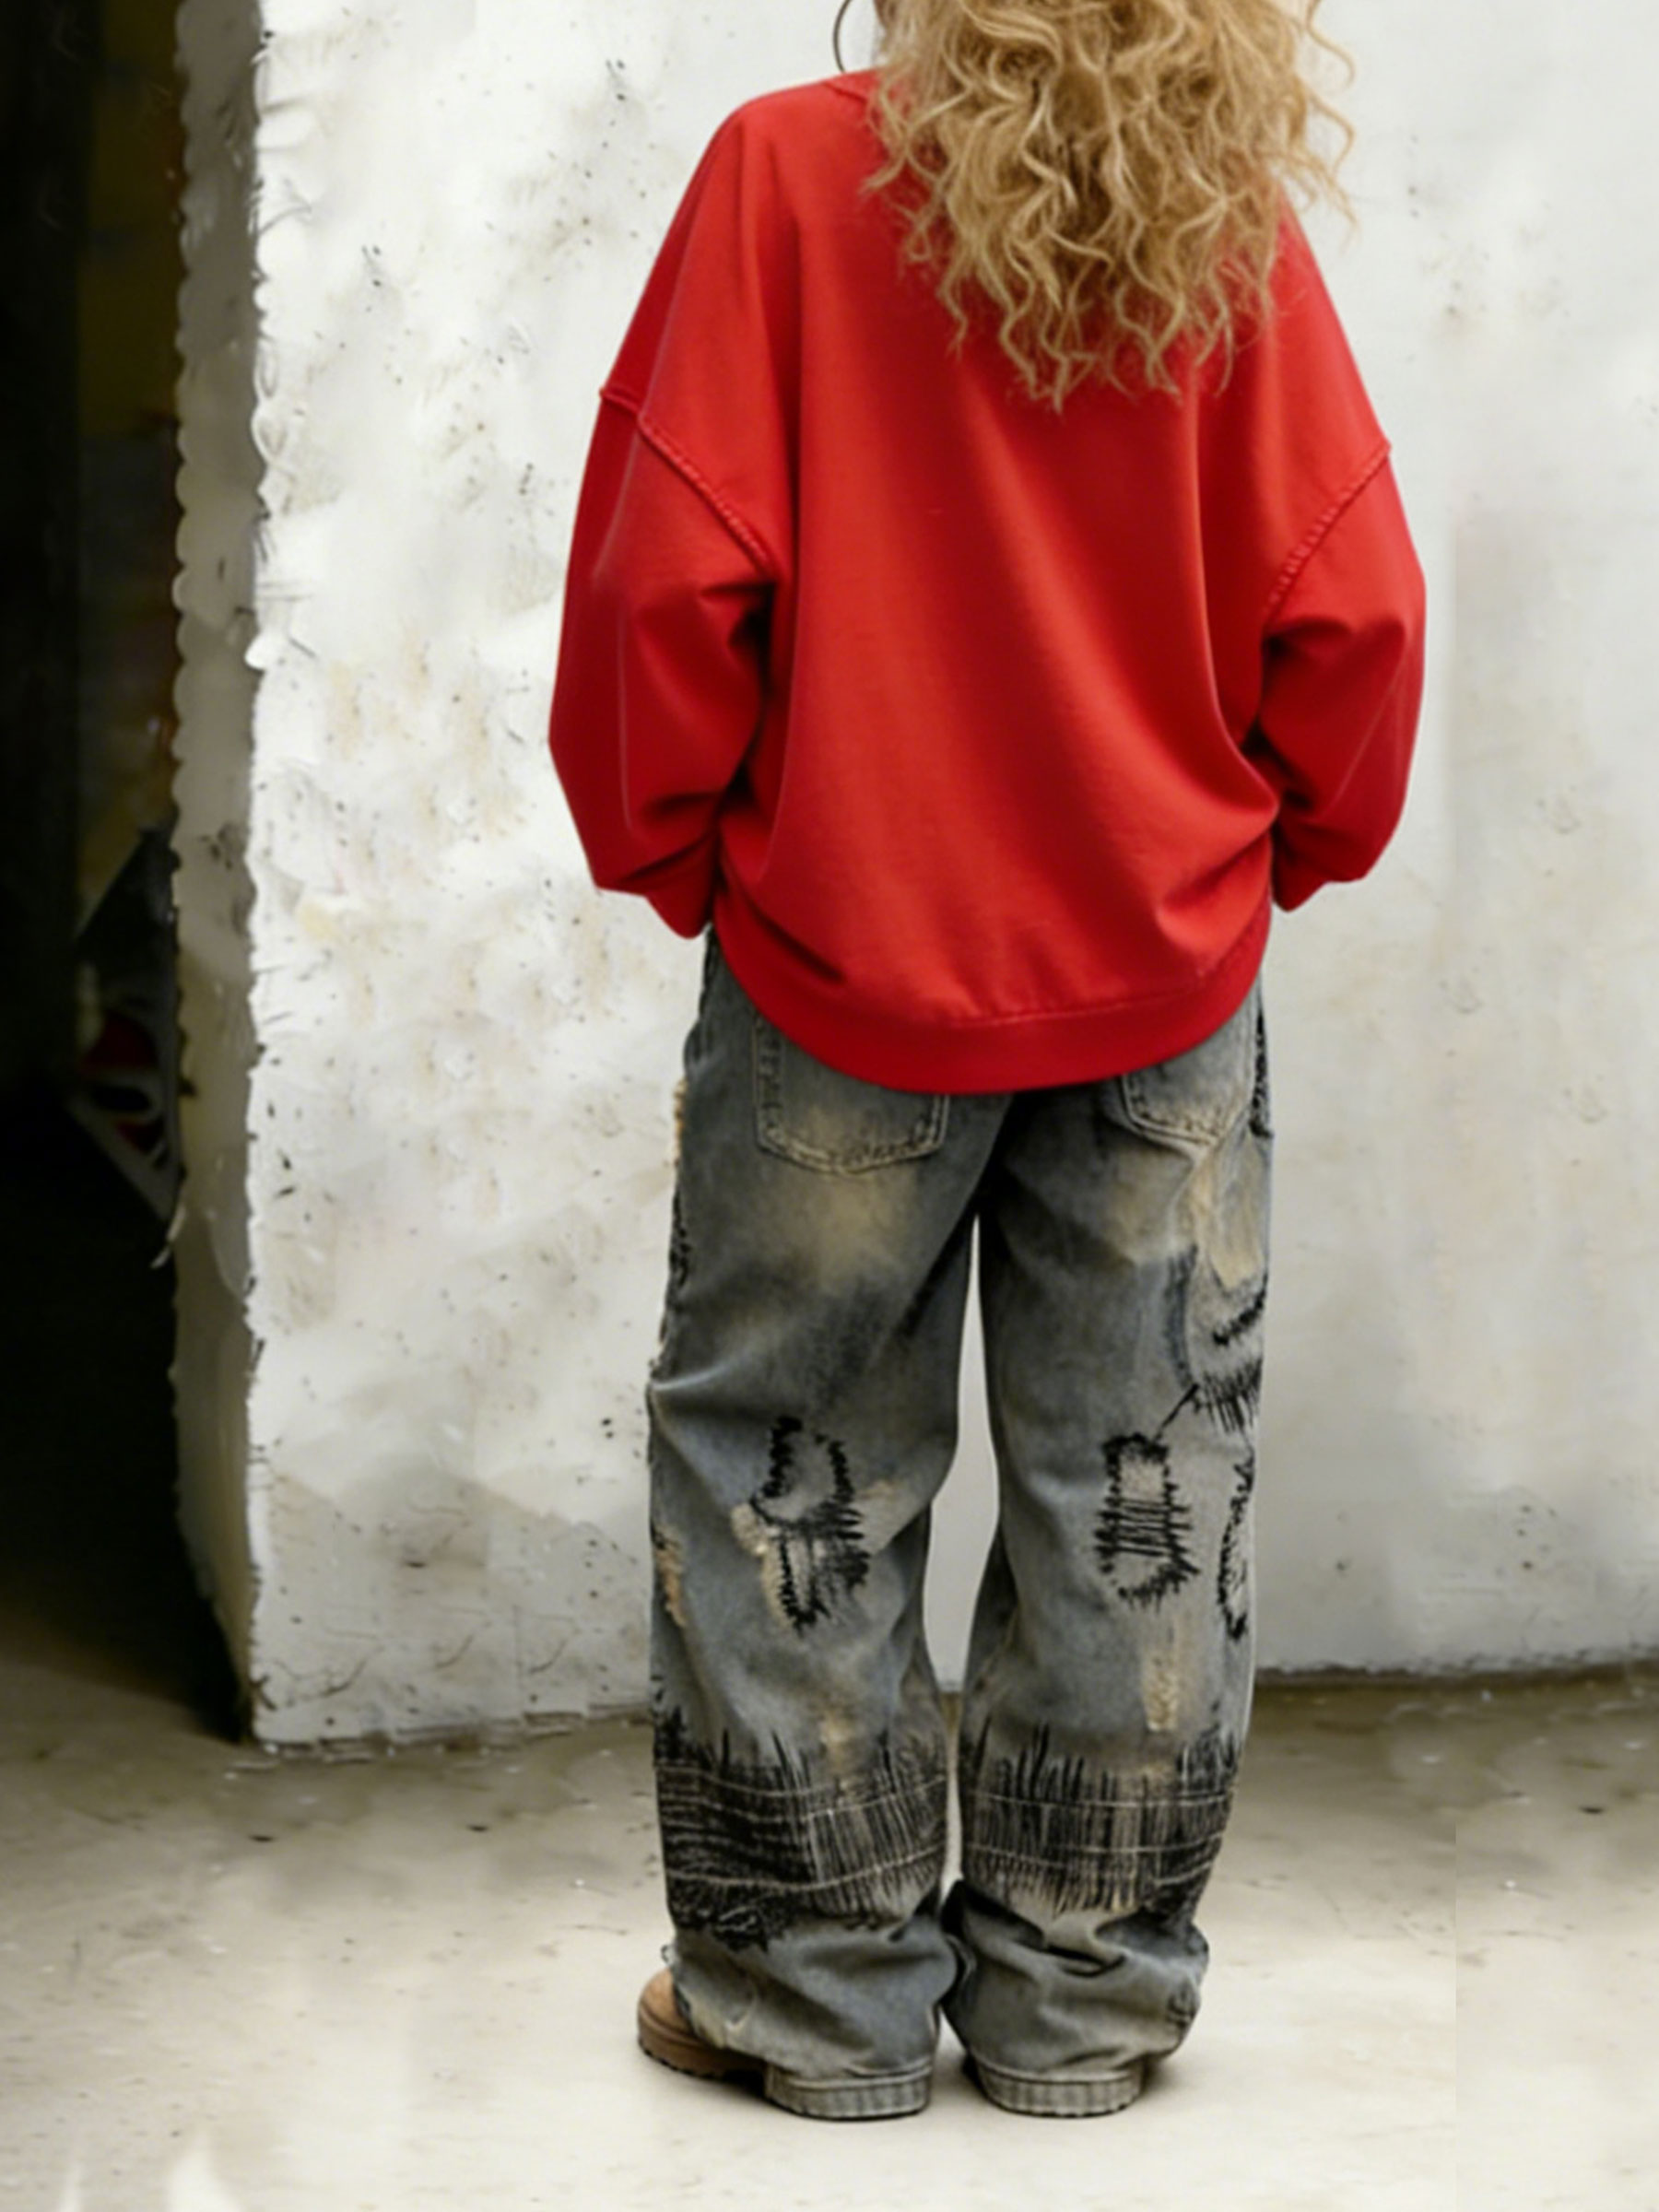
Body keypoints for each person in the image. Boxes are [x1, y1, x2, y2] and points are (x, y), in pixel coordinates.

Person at [547, 0, 1424, 2123]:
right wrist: (1271, 857)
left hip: (843, 965)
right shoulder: (1218, 212)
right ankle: (1080, 2006)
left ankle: (815, 2002)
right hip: (1164, 985)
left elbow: (666, 580)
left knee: (787, 1461)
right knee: (1146, 1480)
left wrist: (681, 854)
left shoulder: (782, 176)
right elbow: (1356, 609)